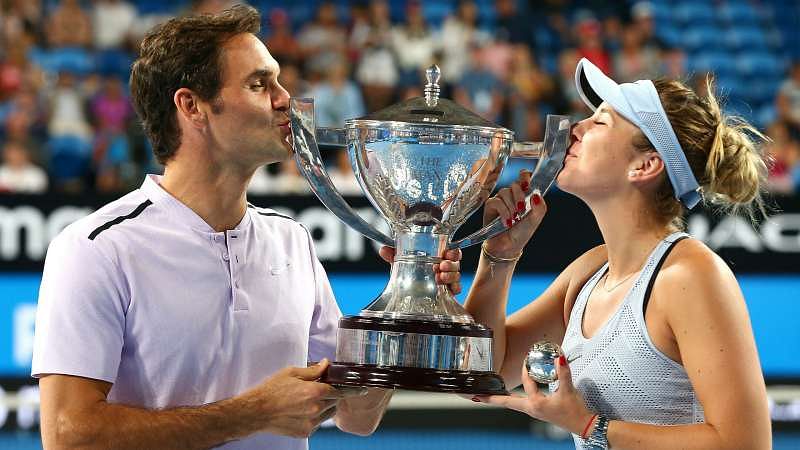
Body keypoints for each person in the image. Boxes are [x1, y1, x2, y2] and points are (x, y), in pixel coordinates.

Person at [32, 6, 462, 449]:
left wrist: (408, 300)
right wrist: (254, 413)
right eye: (259, 84)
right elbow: (69, 437)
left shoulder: (291, 240)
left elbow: (357, 414)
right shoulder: (97, 248)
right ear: (192, 106)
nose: (284, 100)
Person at [464, 58, 771, 449]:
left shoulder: (689, 275)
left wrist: (590, 424)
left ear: (645, 165)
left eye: (600, 122)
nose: (576, 129)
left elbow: (745, 444)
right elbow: (477, 372)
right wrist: (499, 257)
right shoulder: (589, 272)